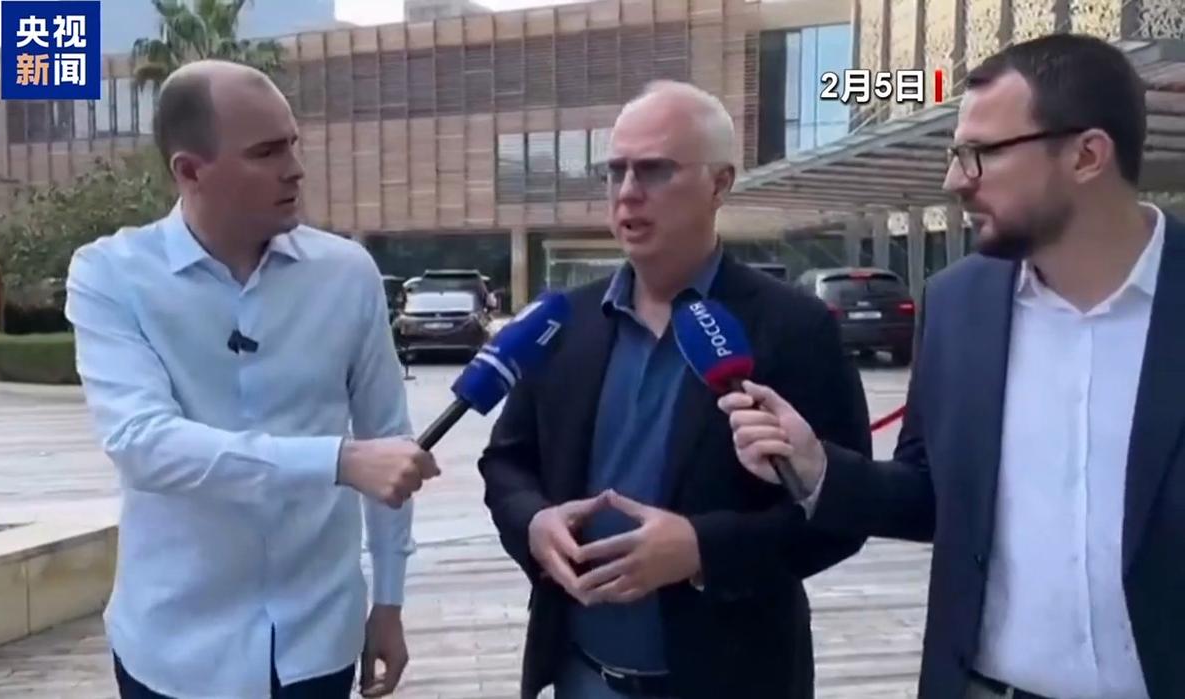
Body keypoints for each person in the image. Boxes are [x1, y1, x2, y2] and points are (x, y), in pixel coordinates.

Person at [722, 33, 1185, 699]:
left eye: (980, 154)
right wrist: (818, 467)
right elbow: (932, 496)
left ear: (1087, 155)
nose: (955, 181)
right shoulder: (957, 304)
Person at [477, 80, 872, 699]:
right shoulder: (563, 322)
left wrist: (700, 551)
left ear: (720, 183)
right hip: (581, 676)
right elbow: (507, 462)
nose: (627, 192)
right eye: (615, 171)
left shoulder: (795, 327)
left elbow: (842, 516)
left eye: (655, 170)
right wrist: (533, 522)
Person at [65, 60, 440, 699]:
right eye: (266, 153)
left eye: (293, 144)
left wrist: (389, 601)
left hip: (318, 639)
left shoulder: (348, 273)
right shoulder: (111, 275)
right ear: (190, 171)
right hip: (174, 649)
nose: (295, 168)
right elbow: (142, 444)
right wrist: (338, 460)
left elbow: (391, 443)